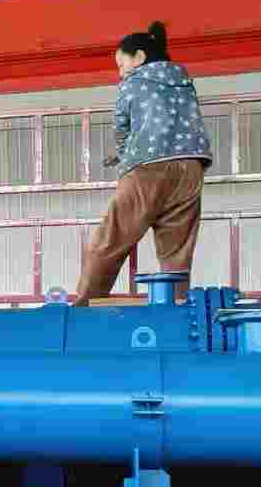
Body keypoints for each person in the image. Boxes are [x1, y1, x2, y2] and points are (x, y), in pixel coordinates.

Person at [73, 21, 212, 305]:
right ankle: (176, 305)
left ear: (138, 57)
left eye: (121, 64)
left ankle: (86, 303)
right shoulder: (184, 81)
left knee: (111, 238)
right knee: (177, 248)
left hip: (147, 167)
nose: (120, 72)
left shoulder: (133, 82)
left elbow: (121, 127)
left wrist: (123, 153)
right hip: (191, 166)